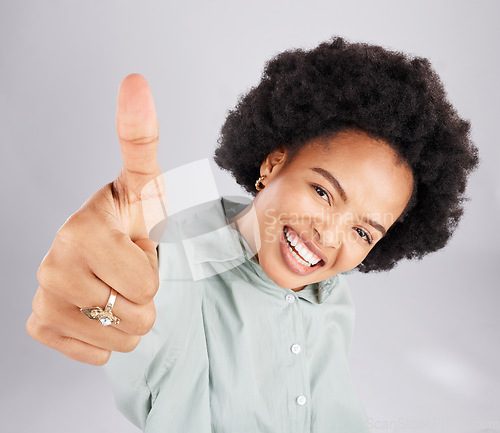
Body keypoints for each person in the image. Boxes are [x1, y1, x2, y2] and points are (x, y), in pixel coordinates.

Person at [26, 37, 479, 432]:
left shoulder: (333, 298)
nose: (331, 236)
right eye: (323, 192)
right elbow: (129, 302)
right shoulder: (175, 256)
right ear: (273, 163)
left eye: (363, 231)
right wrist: (94, 295)